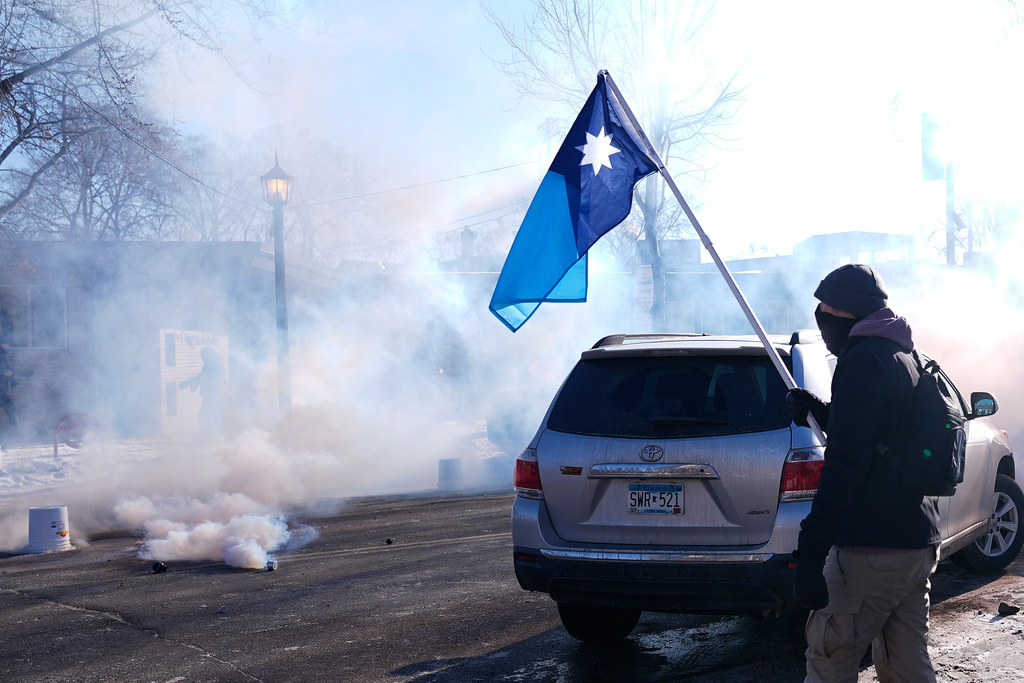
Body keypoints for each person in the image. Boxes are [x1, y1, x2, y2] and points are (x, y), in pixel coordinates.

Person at [788, 264, 940, 682]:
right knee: (905, 663)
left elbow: (846, 463)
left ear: (846, 311)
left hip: (870, 548)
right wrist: (820, 409)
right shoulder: (903, 352)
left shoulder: (861, 360)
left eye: (825, 306)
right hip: (916, 540)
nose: (819, 314)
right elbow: (881, 432)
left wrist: (811, 549)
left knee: (829, 659)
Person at [178, 347, 226, 434]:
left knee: (206, 417)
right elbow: (202, 377)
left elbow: (202, 377)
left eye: (203, 356)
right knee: (215, 417)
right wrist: (193, 384)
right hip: (213, 395)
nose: (203, 358)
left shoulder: (213, 365)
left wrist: (188, 383)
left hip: (213, 395)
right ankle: (223, 435)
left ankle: (209, 437)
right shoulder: (213, 364)